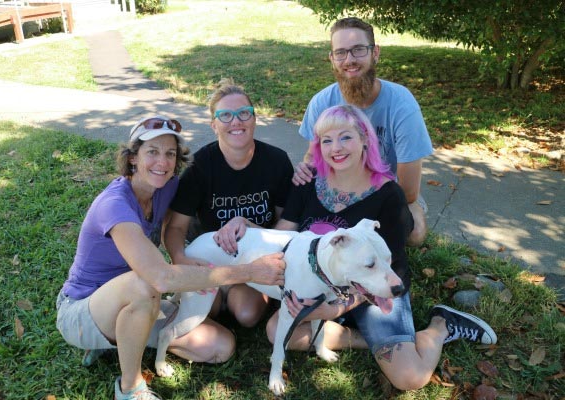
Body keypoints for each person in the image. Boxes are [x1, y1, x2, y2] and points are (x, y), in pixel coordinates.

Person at [56, 115, 286, 400]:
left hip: (139, 303)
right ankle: (130, 388)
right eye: (152, 152)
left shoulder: (164, 188)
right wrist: (248, 272)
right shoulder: (114, 205)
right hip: (83, 310)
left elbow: (205, 191)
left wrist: (304, 174)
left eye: (170, 154)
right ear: (132, 158)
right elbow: (161, 278)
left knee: (219, 347)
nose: (162, 163)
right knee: (144, 284)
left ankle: (120, 339)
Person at [268, 105, 497, 391]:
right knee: (277, 332)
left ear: (364, 138)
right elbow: (282, 238)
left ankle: (441, 325)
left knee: (410, 377)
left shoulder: (388, 194)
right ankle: (367, 339)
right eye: (326, 140)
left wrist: (335, 308)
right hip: (321, 283)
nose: (335, 148)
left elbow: (394, 267)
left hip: (373, 290)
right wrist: (243, 229)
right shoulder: (309, 182)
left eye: (345, 137)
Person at [164, 80, 294, 328]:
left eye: (244, 113)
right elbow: (175, 228)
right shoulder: (199, 166)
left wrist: (251, 225)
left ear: (255, 119)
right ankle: (214, 299)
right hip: (208, 258)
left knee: (247, 315)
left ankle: (232, 293)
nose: (236, 122)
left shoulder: (276, 161)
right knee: (205, 311)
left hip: (251, 258)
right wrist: (181, 261)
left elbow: (285, 227)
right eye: (225, 116)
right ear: (214, 125)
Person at [294, 16, 433, 247]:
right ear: (332, 59)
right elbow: (313, 156)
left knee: (414, 234)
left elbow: (408, 191)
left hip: (388, 191)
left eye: (358, 50)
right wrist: (305, 168)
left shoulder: (401, 104)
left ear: (375, 53)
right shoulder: (321, 102)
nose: (349, 60)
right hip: (337, 189)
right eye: (340, 53)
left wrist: (359, 207)